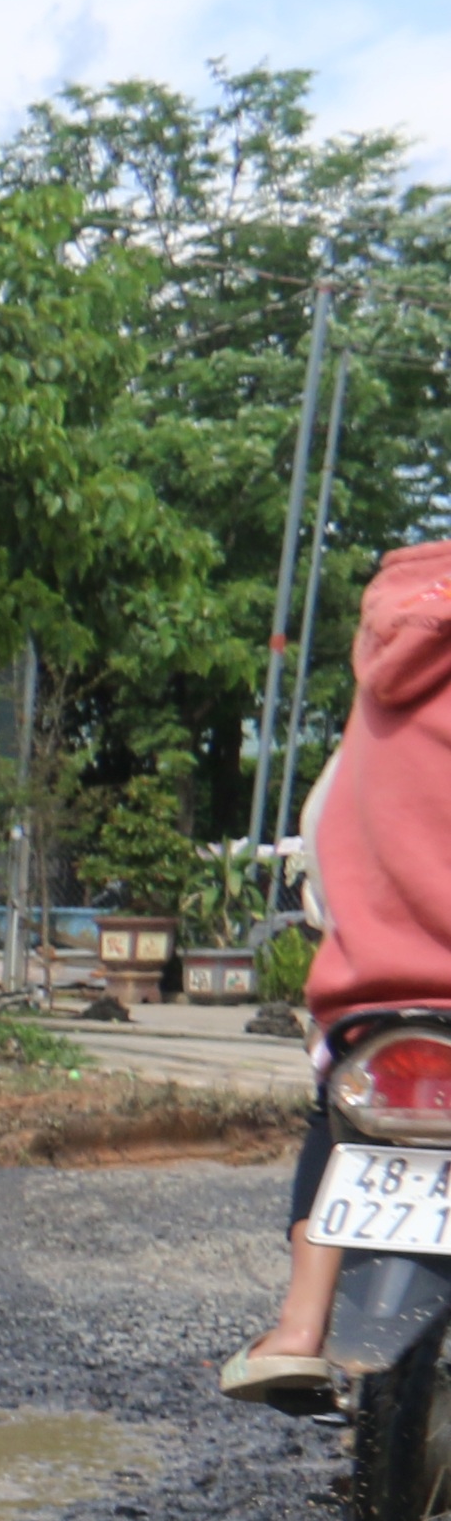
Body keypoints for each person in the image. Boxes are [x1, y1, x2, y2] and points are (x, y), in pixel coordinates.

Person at [229, 542, 451, 1407]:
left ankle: (297, 1325)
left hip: (374, 1000)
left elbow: (321, 828)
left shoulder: (382, 674)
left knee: (335, 1120)